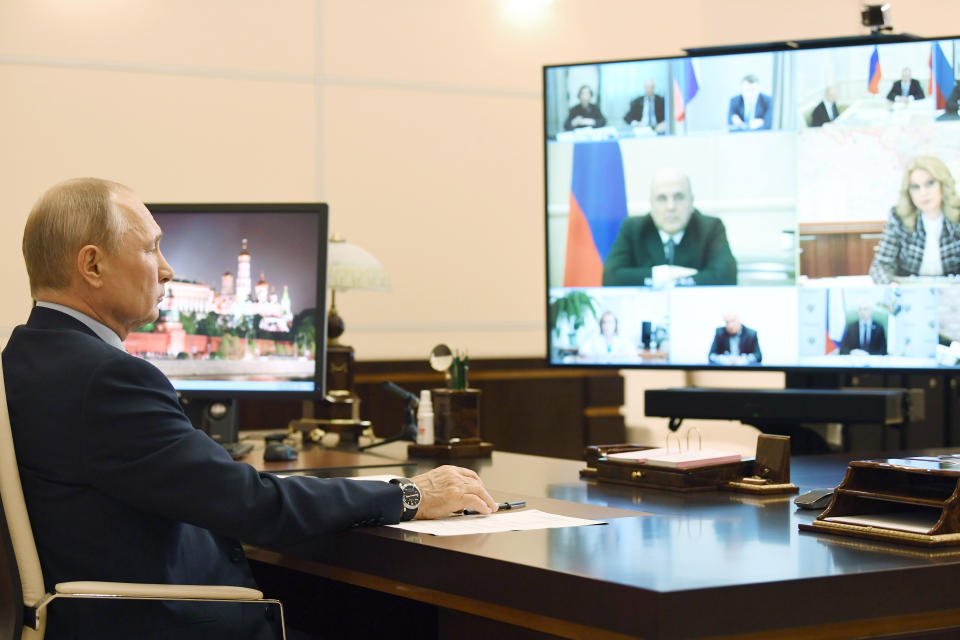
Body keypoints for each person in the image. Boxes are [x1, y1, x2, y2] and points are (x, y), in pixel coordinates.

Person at [1, 178, 497, 640]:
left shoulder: (22, 358)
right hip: (171, 618)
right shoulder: (107, 378)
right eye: (152, 248)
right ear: (92, 266)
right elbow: (252, 504)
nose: (169, 269)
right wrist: (408, 494)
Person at [602, 167, 737, 287]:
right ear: (651, 204)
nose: (670, 207)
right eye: (662, 198)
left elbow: (726, 277)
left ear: (691, 202)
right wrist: (663, 274)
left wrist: (672, 281)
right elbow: (610, 277)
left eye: (679, 197)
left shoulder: (711, 228)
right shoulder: (633, 229)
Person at [869, 156, 960, 284]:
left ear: (943, 185)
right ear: (909, 192)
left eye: (929, 183)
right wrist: (893, 287)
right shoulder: (899, 218)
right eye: (916, 187)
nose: (923, 193)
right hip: (910, 295)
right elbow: (881, 266)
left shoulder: (958, 216)